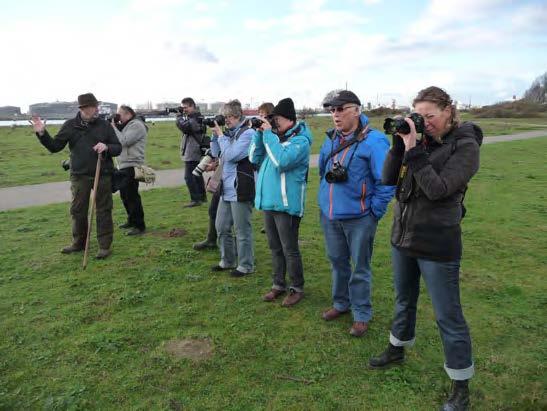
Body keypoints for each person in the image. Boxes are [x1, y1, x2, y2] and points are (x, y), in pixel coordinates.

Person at [368, 86, 481, 411]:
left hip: (437, 243)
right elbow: (388, 178)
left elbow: (438, 190)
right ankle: (397, 347)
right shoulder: (420, 141)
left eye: (430, 116)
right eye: (420, 116)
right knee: (404, 301)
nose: (425, 122)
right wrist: (397, 145)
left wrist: (414, 149)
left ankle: (460, 385)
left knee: (448, 316)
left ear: (449, 111)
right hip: (403, 237)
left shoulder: (466, 145)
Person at [318, 90, 395, 337]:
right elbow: (322, 172)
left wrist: (373, 212)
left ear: (357, 110)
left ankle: (361, 313)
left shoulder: (375, 141)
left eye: (341, 109)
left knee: (360, 266)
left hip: (360, 217)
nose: (335, 115)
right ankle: (341, 304)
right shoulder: (330, 139)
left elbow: (387, 180)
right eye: (332, 110)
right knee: (337, 262)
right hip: (330, 215)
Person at [30, 93, 122, 259]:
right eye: (89, 107)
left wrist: (107, 146)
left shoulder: (105, 126)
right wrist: (42, 133)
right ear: (82, 109)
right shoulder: (70, 125)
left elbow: (118, 148)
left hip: (102, 173)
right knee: (78, 211)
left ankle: (104, 246)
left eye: (95, 106)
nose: (93, 110)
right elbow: (55, 147)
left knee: (103, 210)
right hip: (79, 175)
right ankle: (79, 243)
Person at [249, 98, 312, 307]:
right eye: (272, 119)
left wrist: (268, 135)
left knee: (289, 248)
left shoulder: (300, 141)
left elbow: (281, 162)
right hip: (269, 202)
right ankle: (278, 284)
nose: (274, 123)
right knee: (274, 247)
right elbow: (254, 159)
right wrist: (260, 136)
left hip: (286, 205)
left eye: (277, 119)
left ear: (290, 119)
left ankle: (297, 287)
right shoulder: (274, 138)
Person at [210, 100, 255, 277]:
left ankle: (245, 265)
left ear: (237, 116)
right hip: (226, 187)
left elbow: (230, 155)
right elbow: (216, 153)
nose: (225, 120)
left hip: (241, 187)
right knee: (221, 226)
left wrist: (221, 135)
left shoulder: (248, 133)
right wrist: (215, 136)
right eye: (224, 117)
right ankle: (227, 260)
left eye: (228, 117)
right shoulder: (228, 133)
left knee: (242, 229)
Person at [111, 105, 148, 235]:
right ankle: (131, 220)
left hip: (133, 165)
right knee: (125, 195)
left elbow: (124, 141)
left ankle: (139, 225)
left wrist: (113, 127)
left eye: (119, 114)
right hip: (124, 164)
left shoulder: (136, 125)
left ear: (128, 114)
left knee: (132, 196)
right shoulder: (127, 125)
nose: (118, 117)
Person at [177, 97, 208, 207]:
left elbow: (184, 127)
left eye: (185, 107)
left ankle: (195, 199)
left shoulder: (195, 118)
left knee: (189, 176)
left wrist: (179, 116)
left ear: (192, 106)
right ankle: (202, 197)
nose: (184, 110)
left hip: (193, 150)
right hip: (194, 149)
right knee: (196, 174)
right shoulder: (196, 117)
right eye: (183, 108)